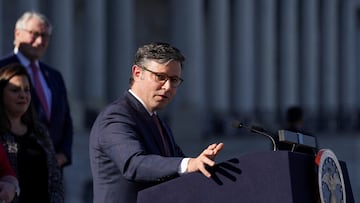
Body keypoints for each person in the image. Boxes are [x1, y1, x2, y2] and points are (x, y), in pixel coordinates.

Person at [89, 42, 224, 203]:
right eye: (160, 77)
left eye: (174, 80)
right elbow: (134, 164)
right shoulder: (116, 116)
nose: (167, 87)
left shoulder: (158, 121)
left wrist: (202, 163)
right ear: (138, 73)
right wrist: (189, 164)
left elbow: (174, 166)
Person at [0, 11, 73, 168]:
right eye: (34, 34)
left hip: (52, 169)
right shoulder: (2, 69)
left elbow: (65, 119)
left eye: (45, 36)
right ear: (17, 33)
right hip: (14, 162)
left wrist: (64, 155)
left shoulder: (54, 76)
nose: (40, 41)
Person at [0, 63, 63, 202]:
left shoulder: (39, 131)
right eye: (15, 90)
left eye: (27, 90)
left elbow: (55, 179)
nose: (23, 95)